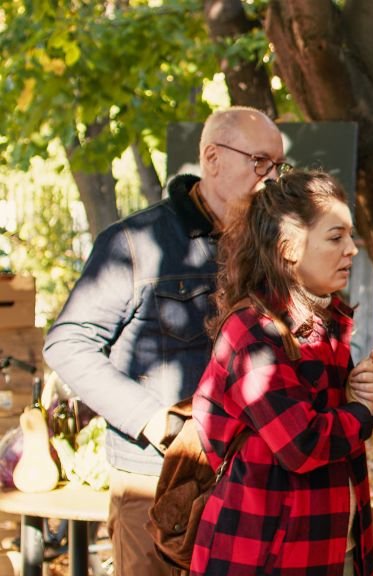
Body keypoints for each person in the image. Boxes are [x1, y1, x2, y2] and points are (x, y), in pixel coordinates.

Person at [43, 107, 286, 575]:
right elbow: (67, 344)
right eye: (259, 162)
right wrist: (152, 421)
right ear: (212, 158)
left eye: (277, 165)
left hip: (247, 482)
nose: (270, 178)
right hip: (156, 483)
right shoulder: (134, 242)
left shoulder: (271, 247)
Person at [189, 170, 373, 574]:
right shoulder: (252, 330)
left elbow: (338, 421)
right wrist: (363, 411)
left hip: (331, 544)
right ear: (288, 247)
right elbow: (302, 444)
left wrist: (364, 396)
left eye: (350, 236)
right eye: (336, 237)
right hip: (267, 556)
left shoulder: (325, 319)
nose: (351, 249)